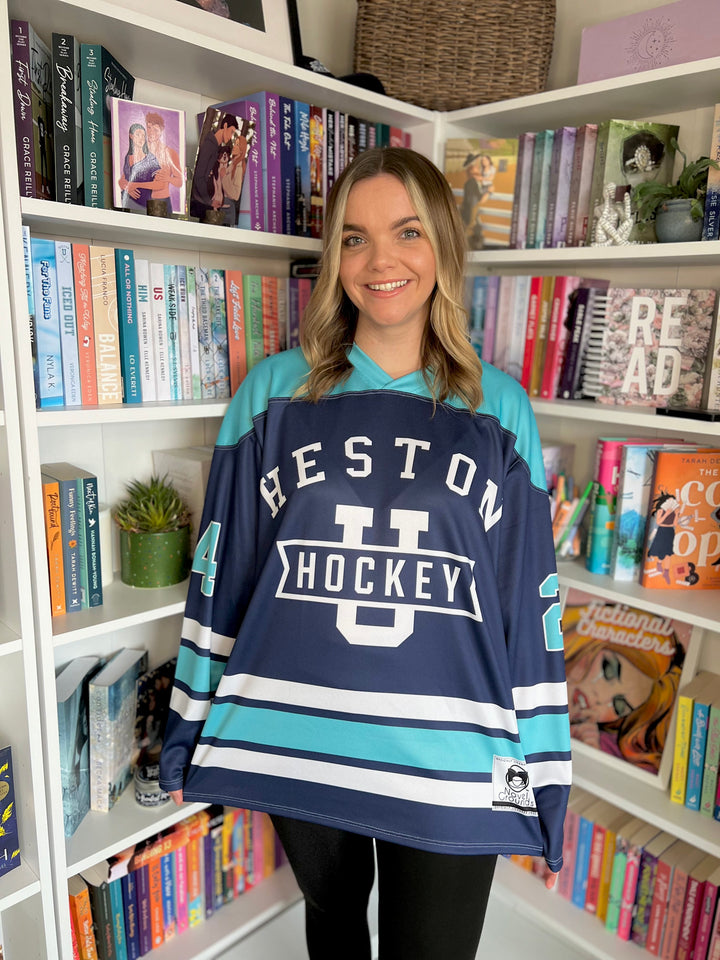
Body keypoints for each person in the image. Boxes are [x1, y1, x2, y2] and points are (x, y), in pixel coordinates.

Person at [159, 146, 571, 959]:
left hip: (451, 754)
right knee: (336, 929)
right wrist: (187, 728)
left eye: (407, 232)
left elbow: (528, 606)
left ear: (443, 249)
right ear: (334, 259)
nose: (381, 260)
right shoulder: (272, 394)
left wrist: (545, 776)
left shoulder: (500, 409)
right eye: (354, 238)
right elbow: (224, 578)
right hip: (299, 733)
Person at [564, 599, 685, 773]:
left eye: (619, 705)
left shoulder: (601, 743)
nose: (601, 698)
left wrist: (585, 752)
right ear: (588, 641)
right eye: (608, 670)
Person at [118, 122, 160, 208]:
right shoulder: (128, 157)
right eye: (138, 135)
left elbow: (160, 183)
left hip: (144, 206)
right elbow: (123, 179)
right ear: (131, 136)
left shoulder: (150, 159)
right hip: (125, 205)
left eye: (143, 136)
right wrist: (126, 187)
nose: (141, 139)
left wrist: (135, 185)